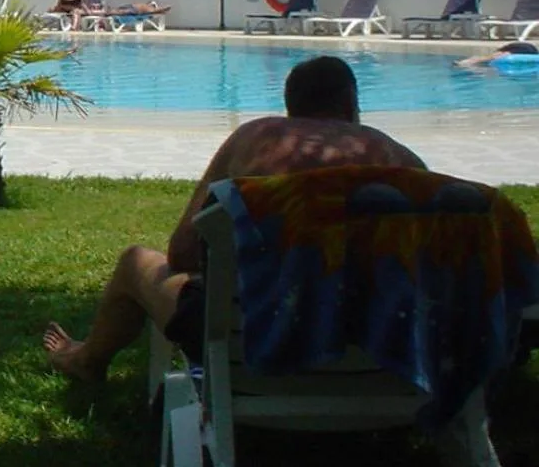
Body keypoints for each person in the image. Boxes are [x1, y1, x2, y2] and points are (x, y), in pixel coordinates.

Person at [42, 56, 427, 382]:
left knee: (135, 263)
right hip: (379, 346)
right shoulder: (403, 161)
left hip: (247, 338)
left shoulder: (257, 138)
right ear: (350, 104)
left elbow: (184, 252)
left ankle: (86, 361)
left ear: (290, 106)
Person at [457, 40, 537, 68]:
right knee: (488, 58)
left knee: (488, 58)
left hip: (524, 48)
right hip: (526, 48)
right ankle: (471, 61)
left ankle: (471, 61)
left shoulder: (506, 52)